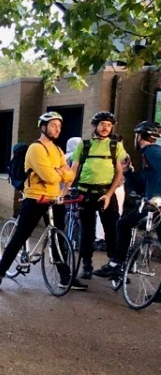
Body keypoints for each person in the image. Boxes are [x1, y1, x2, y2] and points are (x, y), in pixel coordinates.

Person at [0, 111, 84, 291]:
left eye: (59, 126)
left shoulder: (57, 149)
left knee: (57, 238)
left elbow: (70, 174)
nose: (57, 129)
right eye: (53, 126)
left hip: (54, 199)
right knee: (20, 237)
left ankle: (64, 277)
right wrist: (60, 172)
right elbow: (49, 176)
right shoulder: (36, 149)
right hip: (35, 198)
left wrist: (59, 172)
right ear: (43, 127)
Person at [95, 120, 161, 281]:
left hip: (155, 205)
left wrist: (157, 196)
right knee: (125, 223)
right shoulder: (149, 154)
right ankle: (116, 264)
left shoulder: (151, 151)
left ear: (139, 136)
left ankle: (115, 264)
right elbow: (141, 184)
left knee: (123, 224)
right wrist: (128, 171)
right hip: (152, 203)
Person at [69, 111, 126, 279]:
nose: (106, 128)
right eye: (102, 124)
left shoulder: (115, 145)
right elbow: (74, 169)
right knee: (87, 230)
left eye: (109, 125)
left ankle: (114, 265)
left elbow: (119, 173)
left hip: (105, 194)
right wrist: (64, 191)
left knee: (111, 229)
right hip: (85, 193)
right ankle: (87, 264)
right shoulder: (84, 145)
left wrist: (109, 194)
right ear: (95, 126)